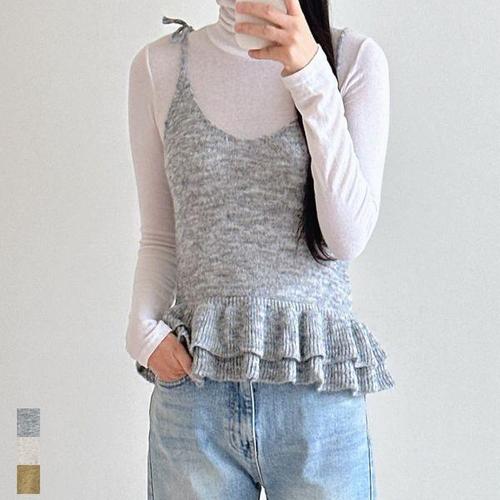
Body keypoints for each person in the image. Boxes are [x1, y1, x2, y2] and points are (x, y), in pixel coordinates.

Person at [126, 0, 395, 498]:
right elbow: (160, 236)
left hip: (316, 400)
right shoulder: (159, 65)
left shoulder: (352, 60)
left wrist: (311, 76)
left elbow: (346, 237)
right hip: (195, 399)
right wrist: (143, 333)